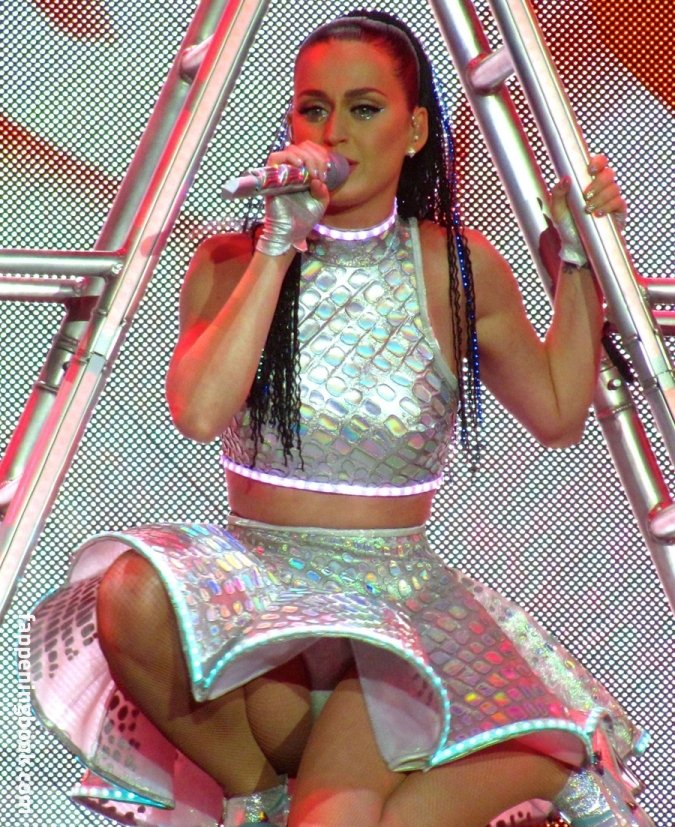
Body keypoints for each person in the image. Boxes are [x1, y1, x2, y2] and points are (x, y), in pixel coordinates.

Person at [27, 10, 653, 827]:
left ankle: (538, 759)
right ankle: (257, 796)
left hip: (393, 623)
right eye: (313, 108)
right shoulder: (228, 261)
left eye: (363, 108)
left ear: (414, 130)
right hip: (263, 608)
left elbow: (560, 412)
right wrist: (276, 246)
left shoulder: (455, 265)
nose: (334, 132)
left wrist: (577, 259)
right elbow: (200, 410)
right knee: (133, 591)